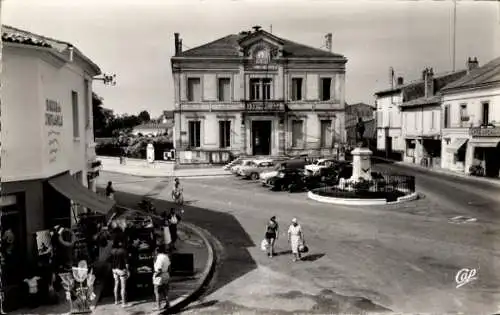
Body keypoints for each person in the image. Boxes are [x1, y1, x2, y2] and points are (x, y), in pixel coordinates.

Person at [108, 239, 129, 307]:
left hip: (114, 270)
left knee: (116, 284)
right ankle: (124, 303)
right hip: (121, 270)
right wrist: (128, 271)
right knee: (123, 287)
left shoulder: (112, 251)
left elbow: (109, 260)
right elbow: (126, 263)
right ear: (120, 243)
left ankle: (116, 301)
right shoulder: (123, 251)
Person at [153, 245, 171, 312]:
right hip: (166, 274)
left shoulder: (159, 258)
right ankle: (168, 304)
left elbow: (159, 269)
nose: (154, 252)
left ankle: (158, 307)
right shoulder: (166, 256)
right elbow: (169, 267)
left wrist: (155, 276)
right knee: (166, 291)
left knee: (157, 292)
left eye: (155, 251)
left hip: (159, 276)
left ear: (157, 251)